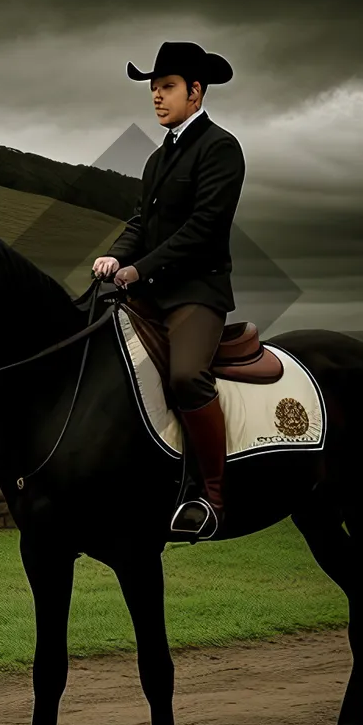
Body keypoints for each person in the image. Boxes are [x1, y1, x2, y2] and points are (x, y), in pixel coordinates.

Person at [92, 41, 246, 539]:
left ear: (196, 92)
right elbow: (143, 221)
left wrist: (140, 270)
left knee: (185, 377)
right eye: (154, 89)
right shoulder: (159, 159)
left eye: (167, 87)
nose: (157, 97)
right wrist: (118, 254)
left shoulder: (221, 148)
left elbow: (203, 227)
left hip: (196, 295)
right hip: (151, 293)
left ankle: (215, 496)